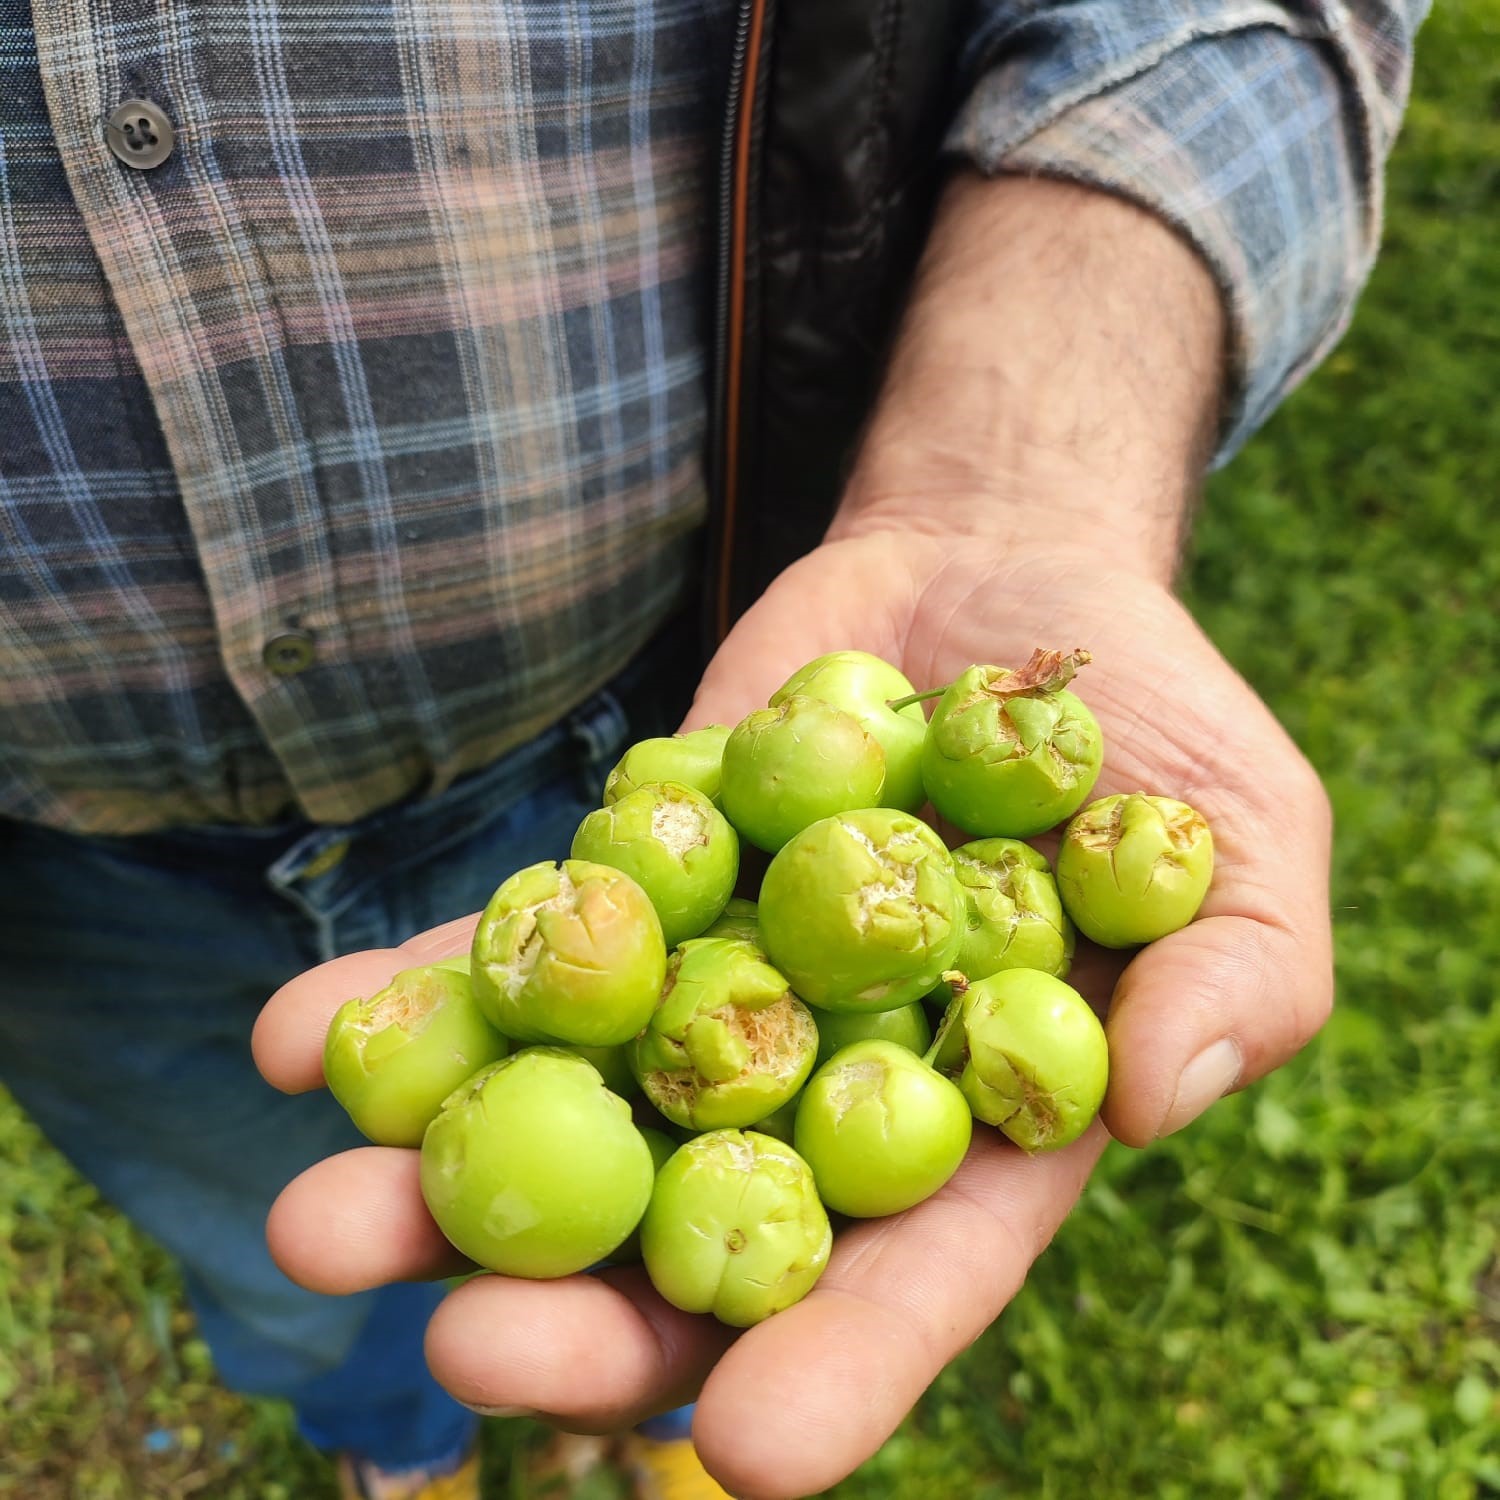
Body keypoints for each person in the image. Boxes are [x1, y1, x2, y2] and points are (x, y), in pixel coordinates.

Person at [0, 2, 1425, 1497]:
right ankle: (398, 1447)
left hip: (622, 699)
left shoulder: (827, 877)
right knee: (275, 1251)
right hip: (68, 873)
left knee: (478, 1269)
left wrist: (1021, 482)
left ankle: (654, 1430)